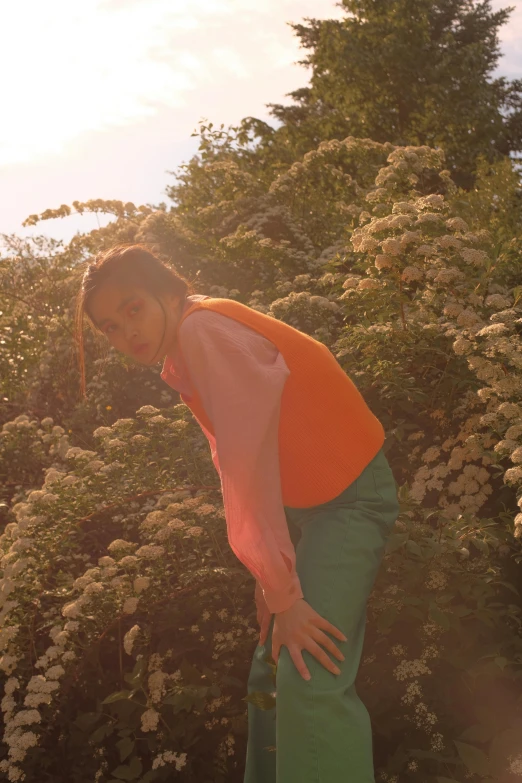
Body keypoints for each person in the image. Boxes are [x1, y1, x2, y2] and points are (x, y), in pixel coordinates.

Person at [75, 243, 400, 783]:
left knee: (305, 671)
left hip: (350, 500)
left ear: (165, 288)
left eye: (132, 308)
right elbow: (248, 459)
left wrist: (281, 585)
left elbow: (244, 467)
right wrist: (271, 575)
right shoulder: (188, 343)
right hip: (314, 511)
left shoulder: (203, 331)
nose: (126, 333)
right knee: (271, 666)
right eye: (110, 326)